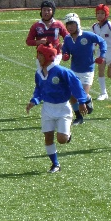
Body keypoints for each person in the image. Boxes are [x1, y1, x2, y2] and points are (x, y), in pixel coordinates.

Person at [26, 44, 88, 173]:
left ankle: (67, 135)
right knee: (48, 137)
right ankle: (55, 164)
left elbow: (76, 84)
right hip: (47, 109)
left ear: (48, 56)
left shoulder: (61, 71)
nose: (38, 57)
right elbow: (39, 89)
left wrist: (82, 101)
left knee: (62, 140)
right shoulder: (39, 73)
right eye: (38, 54)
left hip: (63, 108)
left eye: (41, 54)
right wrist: (34, 100)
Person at [61, 12, 107, 125]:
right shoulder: (67, 39)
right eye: (68, 24)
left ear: (78, 24)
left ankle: (87, 99)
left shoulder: (87, 35)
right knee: (72, 95)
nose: (70, 27)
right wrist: (65, 55)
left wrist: (102, 56)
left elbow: (102, 42)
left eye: (72, 24)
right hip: (74, 71)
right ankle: (78, 117)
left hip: (87, 71)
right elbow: (65, 50)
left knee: (82, 95)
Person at [91, 4, 111, 100]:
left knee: (110, 75)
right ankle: (103, 93)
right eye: (98, 13)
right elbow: (93, 39)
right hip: (101, 51)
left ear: (106, 14)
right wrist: (92, 48)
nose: (100, 15)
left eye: (102, 13)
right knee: (100, 69)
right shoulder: (94, 27)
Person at [25, 0, 68, 67]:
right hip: (41, 56)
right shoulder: (36, 26)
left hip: (55, 55)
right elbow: (28, 41)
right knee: (42, 73)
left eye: (49, 10)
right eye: (44, 10)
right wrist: (39, 42)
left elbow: (68, 37)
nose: (46, 12)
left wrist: (63, 44)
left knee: (52, 71)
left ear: (53, 11)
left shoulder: (59, 24)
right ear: (41, 11)